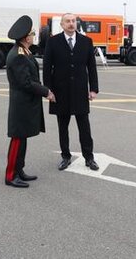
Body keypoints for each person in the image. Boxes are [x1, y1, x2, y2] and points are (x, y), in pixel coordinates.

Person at [43, 13, 100, 171]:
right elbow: (47, 67)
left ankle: (89, 157)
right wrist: (48, 90)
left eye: (73, 21)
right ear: (61, 24)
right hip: (60, 92)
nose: (71, 24)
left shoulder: (86, 41)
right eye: (67, 21)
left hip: (80, 91)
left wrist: (93, 89)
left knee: (84, 126)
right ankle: (65, 156)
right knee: (63, 126)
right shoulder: (53, 41)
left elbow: (92, 67)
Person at [5, 15, 55, 188]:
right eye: (32, 34)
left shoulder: (24, 51)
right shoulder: (18, 55)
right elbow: (25, 82)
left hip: (26, 104)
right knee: (18, 139)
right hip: (22, 105)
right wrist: (46, 91)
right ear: (26, 38)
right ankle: (11, 175)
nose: (34, 36)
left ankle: (19, 170)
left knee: (23, 138)